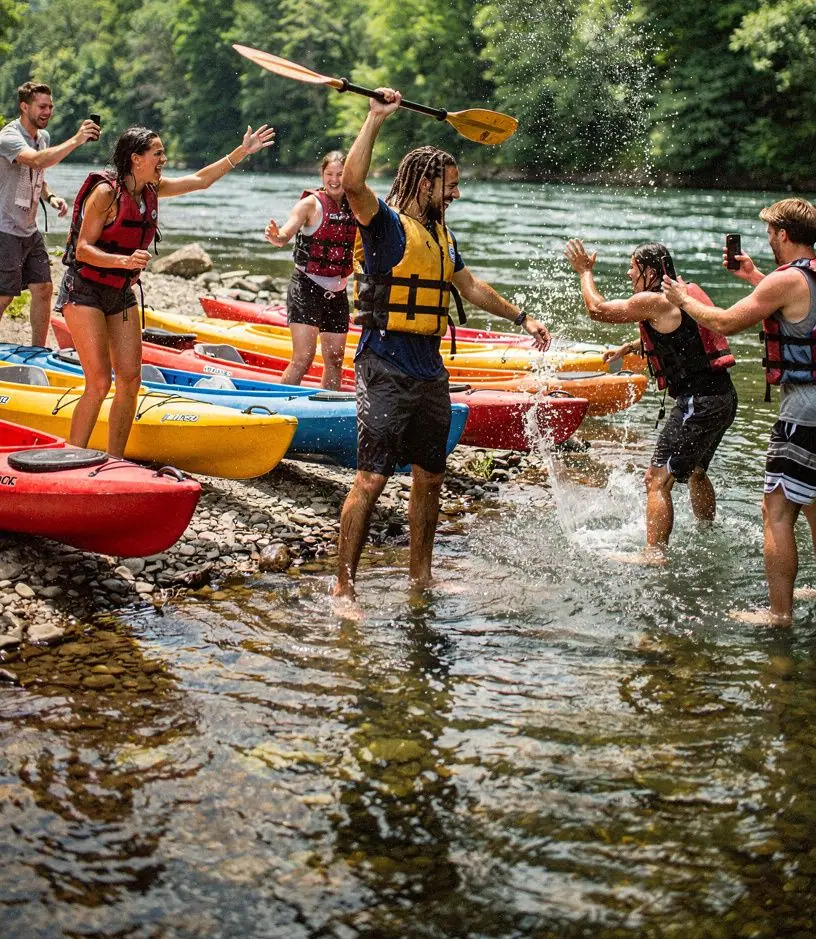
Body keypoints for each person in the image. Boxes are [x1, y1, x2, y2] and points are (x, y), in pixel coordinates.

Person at [333, 88, 550, 604]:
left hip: (429, 367)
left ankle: (420, 577)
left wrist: (522, 317)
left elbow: (470, 286)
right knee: (371, 478)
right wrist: (374, 118)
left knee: (431, 474)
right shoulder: (384, 225)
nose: (455, 195)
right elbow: (352, 182)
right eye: (449, 187)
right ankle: (343, 585)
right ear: (425, 181)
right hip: (384, 362)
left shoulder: (443, 236)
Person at [59, 121, 275, 457]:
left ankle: (114, 459)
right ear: (136, 158)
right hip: (84, 290)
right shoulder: (106, 194)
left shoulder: (152, 190)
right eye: (157, 153)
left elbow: (201, 181)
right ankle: (70, 455)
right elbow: (84, 249)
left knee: (130, 381)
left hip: (121, 292)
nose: (164, 158)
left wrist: (241, 152)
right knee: (100, 382)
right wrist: (125, 262)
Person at [664, 199, 816, 627]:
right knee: (814, 503)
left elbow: (727, 322)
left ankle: (778, 615)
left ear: (783, 234)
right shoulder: (807, 275)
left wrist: (682, 298)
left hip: (804, 411)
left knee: (777, 509)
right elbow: (799, 303)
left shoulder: (785, 280)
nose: (768, 239)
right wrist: (751, 275)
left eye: (771, 232)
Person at [565, 238, 737, 563]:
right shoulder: (682, 293)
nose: (629, 274)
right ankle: (709, 531)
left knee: (656, 481)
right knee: (697, 471)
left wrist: (585, 272)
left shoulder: (653, 300)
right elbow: (681, 339)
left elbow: (597, 309)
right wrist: (628, 349)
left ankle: (654, 553)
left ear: (649, 270)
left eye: (633, 267)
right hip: (723, 397)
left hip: (696, 403)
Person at [0, 80, 100, 346]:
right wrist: (77, 140)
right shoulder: (9, 137)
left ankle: (37, 350)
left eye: (50, 107)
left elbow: (38, 175)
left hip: (29, 228)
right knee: (4, 295)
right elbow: (36, 160)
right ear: (24, 107)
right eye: (42, 106)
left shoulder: (42, 138)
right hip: (5, 228)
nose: (48, 112)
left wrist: (51, 196)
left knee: (43, 289)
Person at [264, 150, 354, 388]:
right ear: (322, 175)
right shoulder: (310, 204)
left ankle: (328, 408)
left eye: (340, 174)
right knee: (303, 358)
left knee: (335, 360)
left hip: (338, 291)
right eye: (329, 174)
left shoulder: (357, 204)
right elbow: (285, 235)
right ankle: (280, 406)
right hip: (306, 287)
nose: (334, 180)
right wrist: (277, 237)